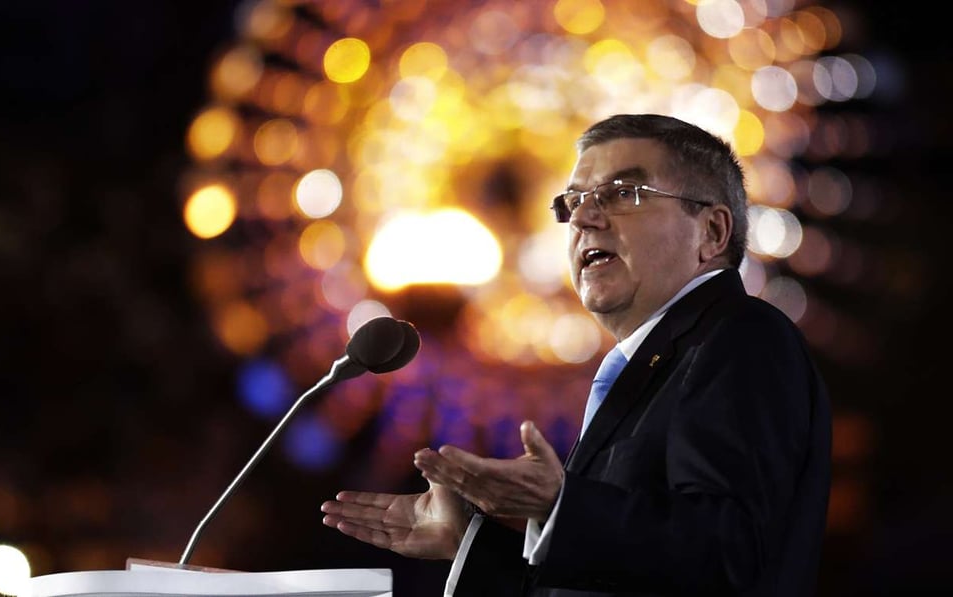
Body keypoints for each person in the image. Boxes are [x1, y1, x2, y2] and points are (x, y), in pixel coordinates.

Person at [321, 113, 832, 596]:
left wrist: (561, 507)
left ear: (712, 232)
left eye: (624, 193)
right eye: (572, 201)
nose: (583, 218)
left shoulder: (743, 336)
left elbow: (727, 555)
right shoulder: (646, 368)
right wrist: (469, 544)